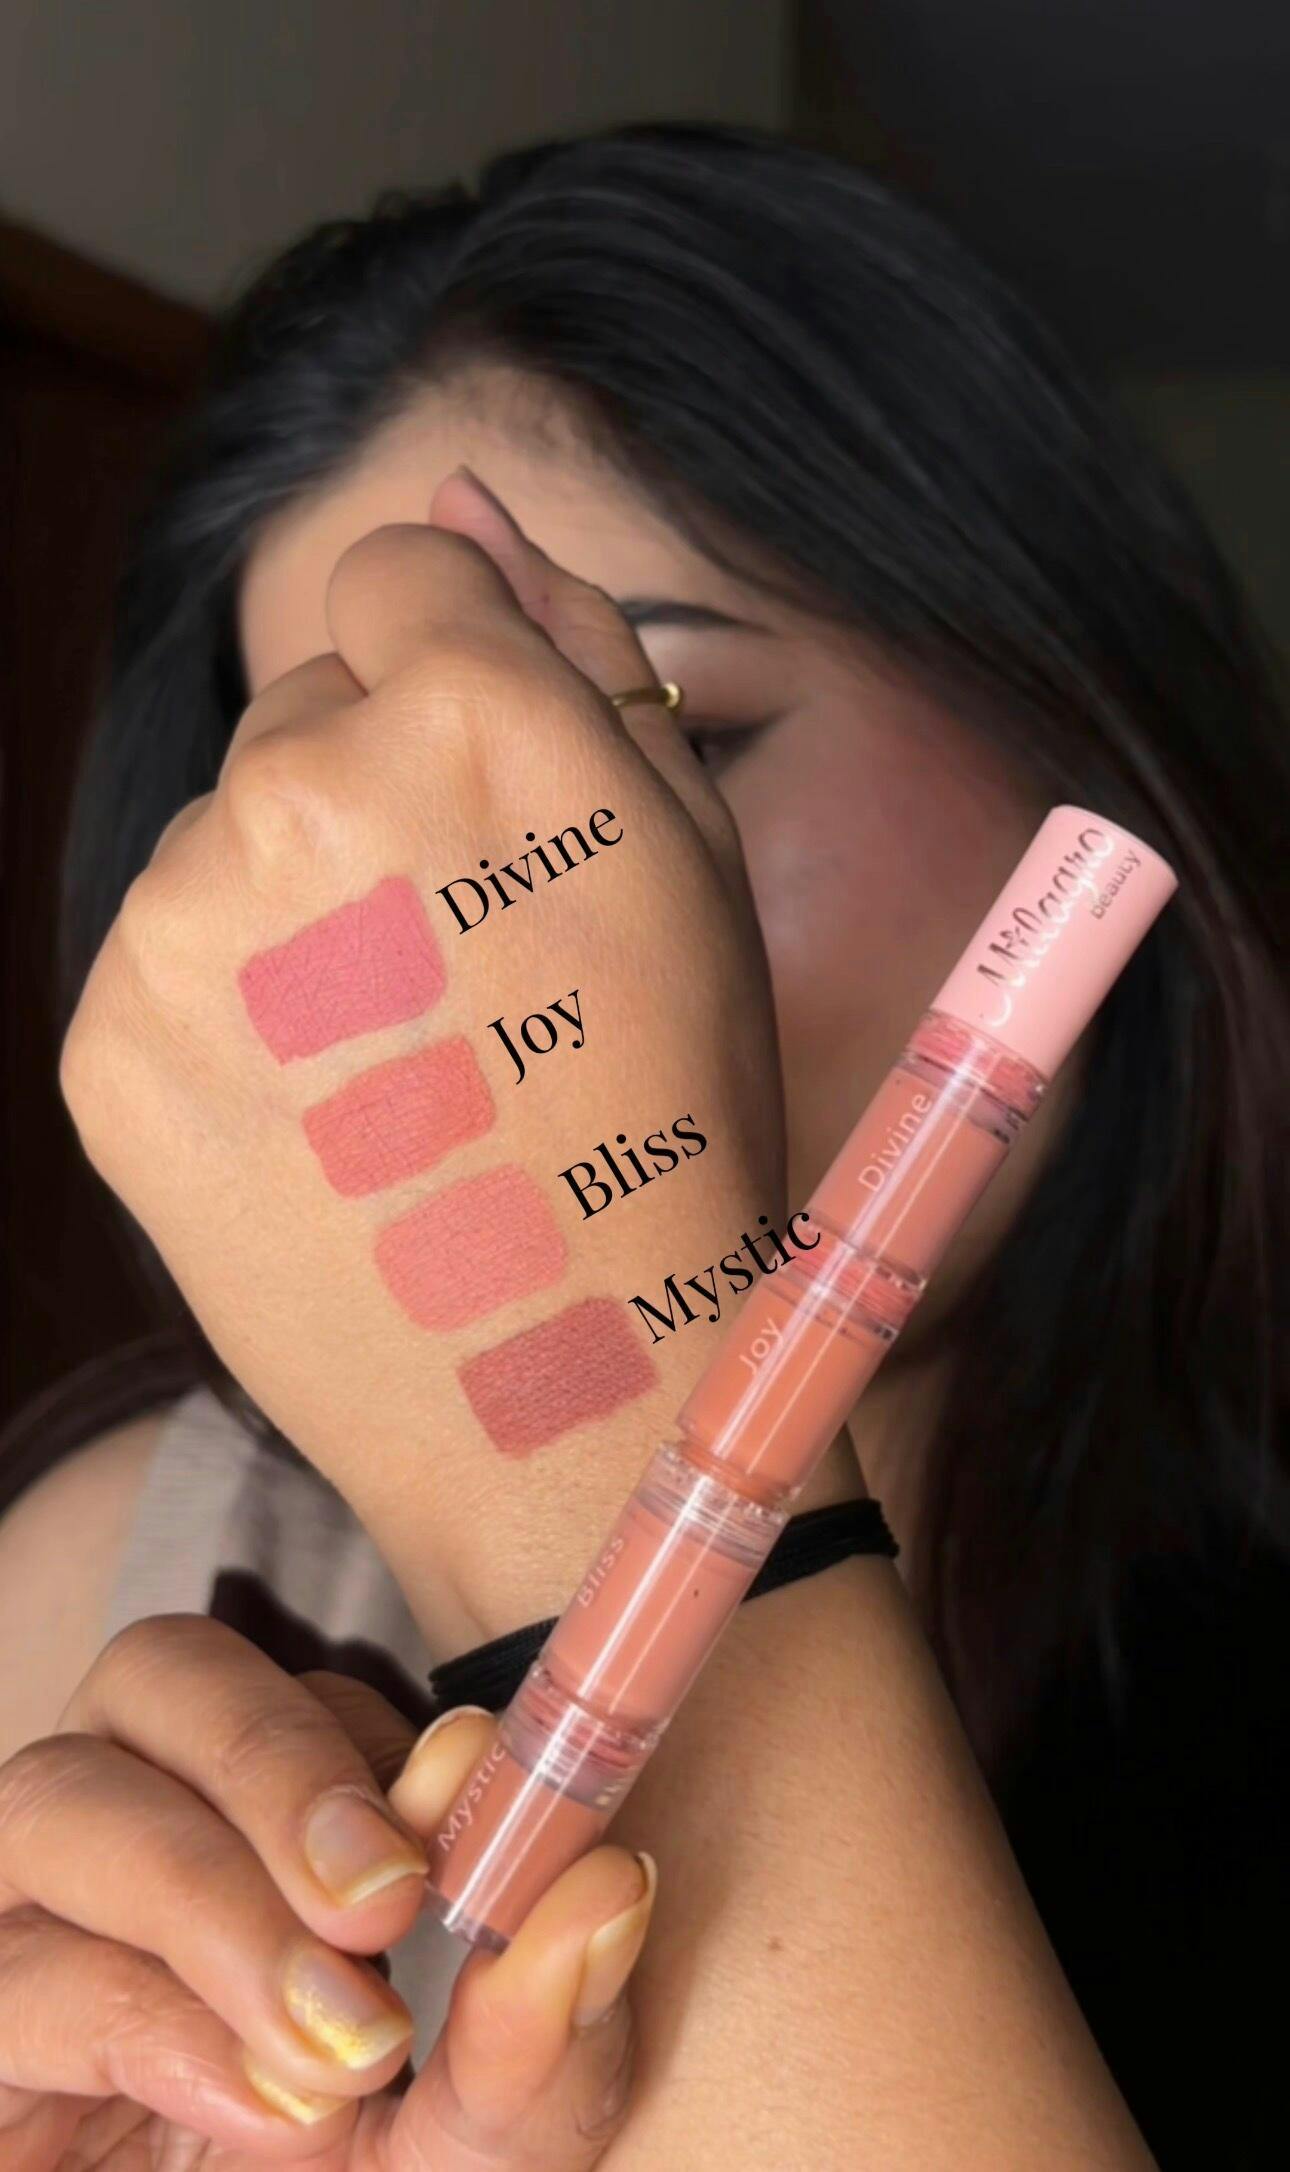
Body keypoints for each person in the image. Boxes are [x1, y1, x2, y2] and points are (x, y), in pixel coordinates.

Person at [1, 123, 1286, 2168]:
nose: (500, 959)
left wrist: (598, 1418)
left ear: (1076, 720)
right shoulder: (150, 1565)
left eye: (661, 737)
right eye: (384, 852)